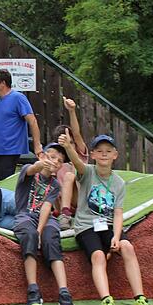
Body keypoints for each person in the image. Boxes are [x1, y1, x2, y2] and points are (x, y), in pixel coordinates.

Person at [59, 131, 153, 305]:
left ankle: (140, 298)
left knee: (127, 246)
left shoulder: (118, 183)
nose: (104, 154)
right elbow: (77, 163)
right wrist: (68, 147)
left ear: (115, 155)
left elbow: (118, 213)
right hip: (86, 226)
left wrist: (116, 236)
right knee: (98, 256)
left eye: (108, 151)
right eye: (99, 151)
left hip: (108, 225)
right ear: (93, 155)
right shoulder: (87, 172)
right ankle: (106, 299)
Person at [12, 143, 76, 305]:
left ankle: (64, 291)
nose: (55, 162)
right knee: (29, 235)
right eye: (52, 157)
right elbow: (33, 168)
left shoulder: (55, 185)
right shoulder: (28, 170)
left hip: (46, 219)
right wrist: (42, 163)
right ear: (42, 156)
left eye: (60, 161)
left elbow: (47, 207)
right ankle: (33, 289)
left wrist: (40, 231)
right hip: (25, 216)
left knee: (50, 238)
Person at [0, 69, 43, 181]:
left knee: (5, 181)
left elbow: (32, 121)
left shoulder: (18, 98)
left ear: (3, 83)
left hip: (10, 149)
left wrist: (37, 145)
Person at [54, 96, 89, 230]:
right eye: (66, 143)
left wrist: (72, 111)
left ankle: (65, 215)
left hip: (81, 199)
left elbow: (76, 133)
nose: (70, 145)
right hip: (63, 204)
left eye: (72, 142)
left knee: (70, 176)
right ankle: (62, 214)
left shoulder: (79, 154)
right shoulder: (58, 161)